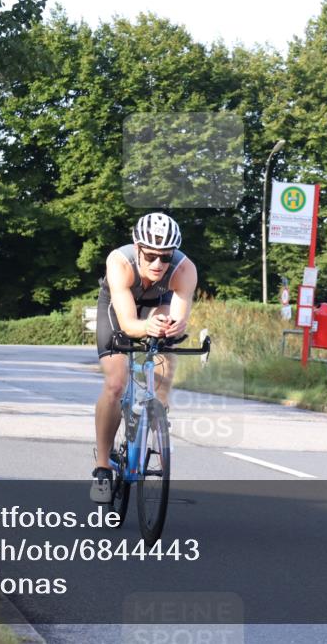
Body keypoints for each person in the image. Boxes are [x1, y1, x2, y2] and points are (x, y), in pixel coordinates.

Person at [90, 213, 197, 503]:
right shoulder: (119, 262)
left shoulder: (185, 270)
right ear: (138, 248)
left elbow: (179, 315)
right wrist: (143, 328)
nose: (158, 264)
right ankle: (102, 466)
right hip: (118, 308)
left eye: (165, 257)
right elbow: (127, 323)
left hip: (157, 305)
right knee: (116, 383)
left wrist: (172, 327)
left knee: (164, 348)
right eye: (150, 256)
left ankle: (157, 418)